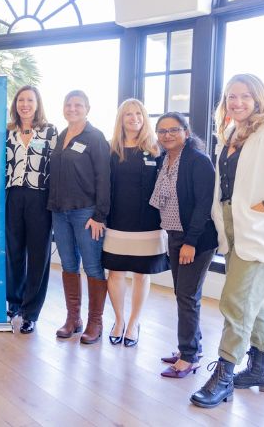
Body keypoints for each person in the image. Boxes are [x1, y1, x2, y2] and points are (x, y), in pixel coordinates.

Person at [191, 74, 264, 408]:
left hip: (259, 230)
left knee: (235, 302)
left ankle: (224, 373)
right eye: (231, 97)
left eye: (245, 96)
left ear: (258, 99)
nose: (237, 102)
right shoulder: (231, 133)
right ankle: (262, 368)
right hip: (231, 228)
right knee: (253, 301)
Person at [149, 112, 217, 379]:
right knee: (184, 293)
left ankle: (188, 358)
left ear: (186, 133)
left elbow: (203, 205)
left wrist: (190, 242)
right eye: (162, 131)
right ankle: (192, 348)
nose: (167, 135)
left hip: (195, 239)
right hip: (175, 234)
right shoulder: (164, 160)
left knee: (187, 296)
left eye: (173, 130)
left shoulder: (198, 161)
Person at [102, 99, 168, 348]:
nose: (134, 118)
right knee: (116, 272)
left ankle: (133, 323)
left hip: (148, 222)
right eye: (128, 114)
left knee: (142, 273)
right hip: (117, 219)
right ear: (121, 118)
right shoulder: (111, 148)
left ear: (144, 117)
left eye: (138, 113)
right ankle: (119, 321)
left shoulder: (156, 148)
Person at [48, 90, 110, 344]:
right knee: (68, 265)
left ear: (87, 109)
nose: (72, 109)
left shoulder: (95, 137)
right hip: (59, 212)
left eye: (78, 105)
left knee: (93, 266)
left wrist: (100, 215)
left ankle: (96, 322)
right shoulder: (61, 136)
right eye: (68, 104)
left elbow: (104, 178)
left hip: (86, 212)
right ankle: (73, 319)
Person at [5, 86, 58, 334]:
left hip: (40, 197)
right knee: (13, 253)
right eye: (21, 100)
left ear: (37, 104)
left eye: (30, 100)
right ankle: (14, 304)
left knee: (38, 256)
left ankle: (31, 312)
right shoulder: (7, 132)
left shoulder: (50, 131)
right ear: (15, 104)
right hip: (13, 196)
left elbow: (57, 168)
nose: (25, 104)